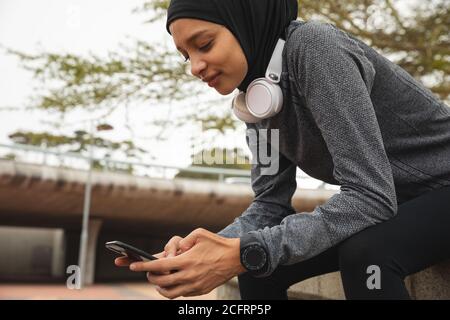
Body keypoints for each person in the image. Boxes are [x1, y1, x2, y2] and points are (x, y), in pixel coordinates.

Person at [115, 0, 450, 300]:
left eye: (204, 44)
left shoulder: (316, 48)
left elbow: (370, 197)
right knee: (261, 267)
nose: (195, 67)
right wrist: (199, 250)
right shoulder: (256, 100)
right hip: (401, 202)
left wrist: (243, 252)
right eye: (187, 56)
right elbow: (269, 206)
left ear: (246, 20)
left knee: (367, 254)